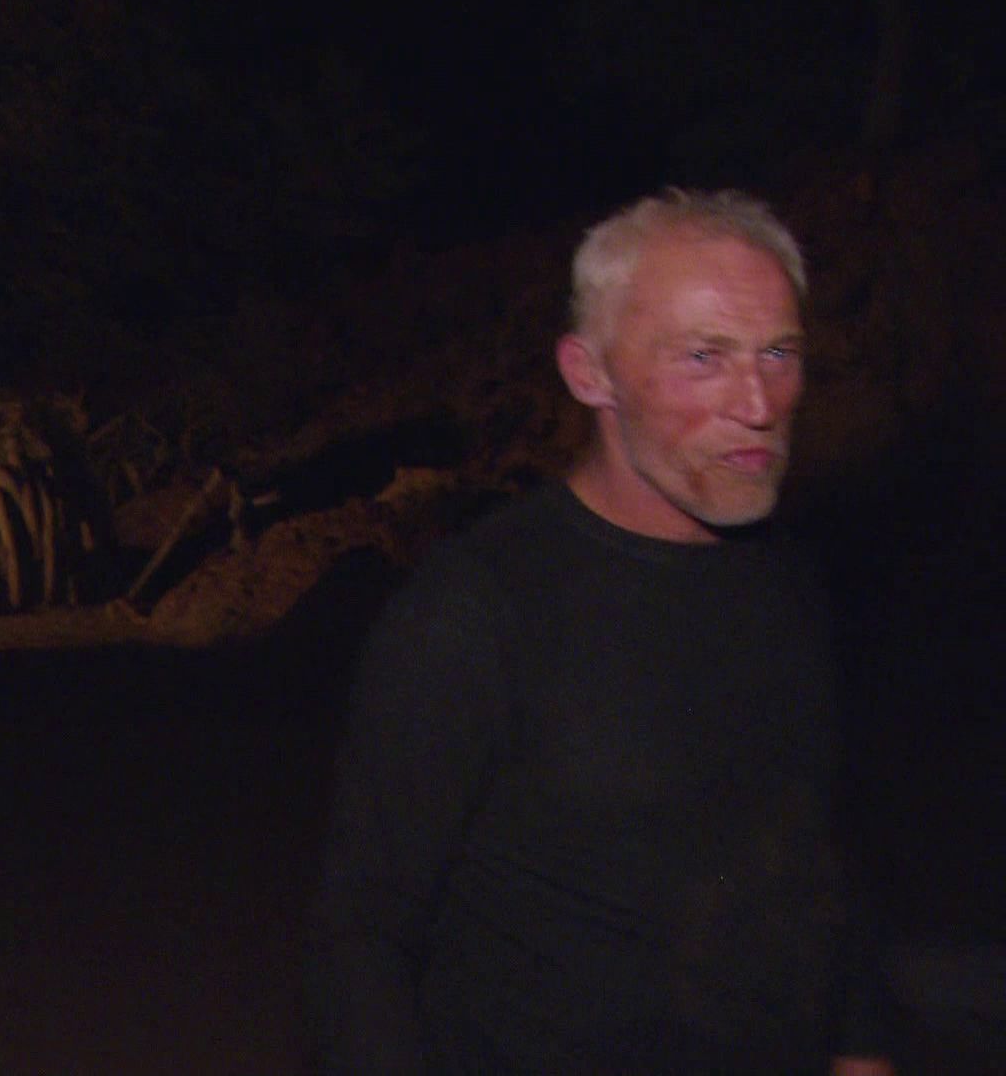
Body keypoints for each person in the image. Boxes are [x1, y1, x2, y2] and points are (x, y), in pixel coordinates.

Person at [306, 190, 896, 1074]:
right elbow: (363, 927)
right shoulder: (479, 607)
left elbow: (831, 856)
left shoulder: (798, 581)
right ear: (590, 374)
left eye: (779, 353)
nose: (759, 402)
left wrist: (863, 1050)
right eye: (703, 357)